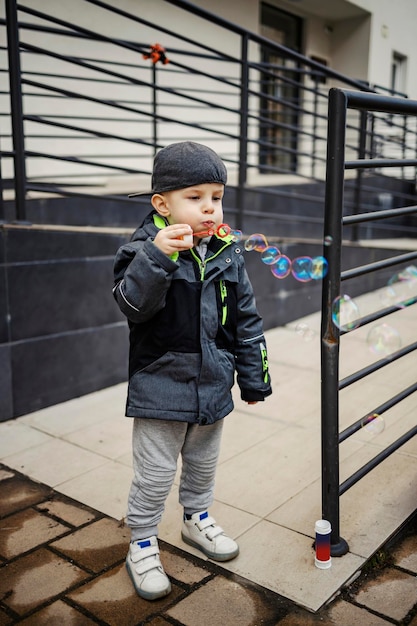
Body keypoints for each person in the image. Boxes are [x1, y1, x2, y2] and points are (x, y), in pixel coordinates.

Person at [113, 141, 272, 601]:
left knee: (202, 465)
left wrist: (253, 377)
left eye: (217, 197)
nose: (209, 207)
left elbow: (246, 318)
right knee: (155, 473)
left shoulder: (226, 251)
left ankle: (195, 520)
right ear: (162, 205)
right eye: (195, 196)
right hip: (161, 382)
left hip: (213, 383)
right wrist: (158, 258)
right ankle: (141, 543)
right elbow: (132, 305)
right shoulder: (141, 249)